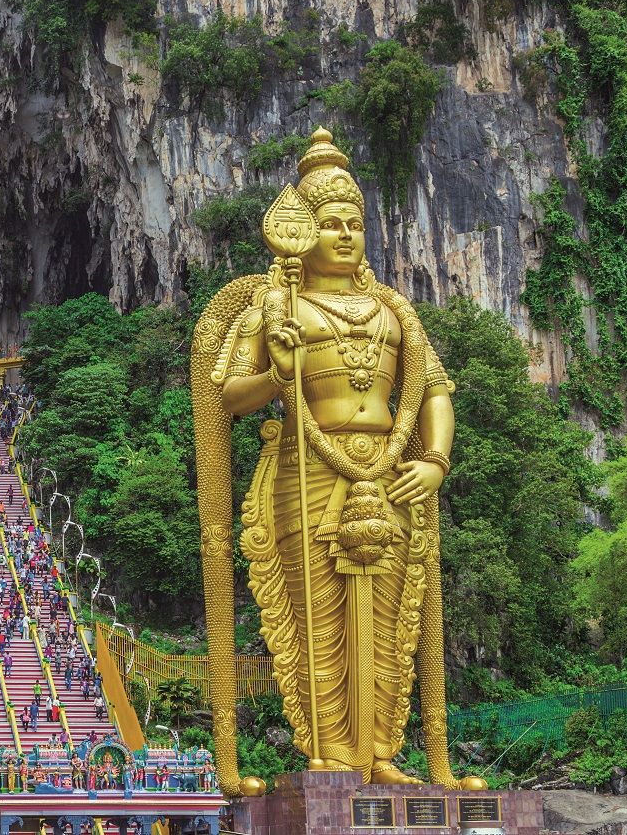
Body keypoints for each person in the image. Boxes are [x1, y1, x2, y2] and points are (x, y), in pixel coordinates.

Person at [200, 128, 474, 789]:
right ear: (303, 232)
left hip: (388, 470)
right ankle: (329, 753)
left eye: (355, 222)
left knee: (390, 621)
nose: (346, 234)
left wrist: (433, 457)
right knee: (314, 617)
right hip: (308, 467)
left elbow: (433, 388)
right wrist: (276, 374)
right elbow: (227, 394)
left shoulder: (392, 310)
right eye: (330, 223)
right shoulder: (275, 306)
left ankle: (382, 752)